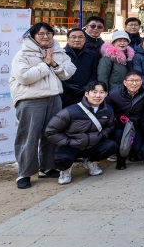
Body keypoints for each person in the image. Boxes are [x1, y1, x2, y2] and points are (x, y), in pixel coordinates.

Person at [10, 22, 76, 189]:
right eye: (41, 33)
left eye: (49, 33)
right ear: (33, 36)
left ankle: (47, 167)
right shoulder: (23, 54)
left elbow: (69, 72)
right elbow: (24, 77)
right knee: (29, 136)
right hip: (31, 99)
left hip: (54, 98)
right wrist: (45, 65)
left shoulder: (58, 52)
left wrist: (54, 64)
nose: (45, 36)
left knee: (51, 134)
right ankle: (24, 173)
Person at [44, 80, 116, 184]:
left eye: (101, 92)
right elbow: (51, 131)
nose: (98, 95)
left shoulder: (108, 110)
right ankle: (65, 170)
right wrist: (68, 142)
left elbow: (109, 126)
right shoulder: (70, 111)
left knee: (111, 145)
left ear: (106, 94)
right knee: (62, 158)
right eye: (94, 92)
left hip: (92, 144)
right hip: (72, 145)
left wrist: (102, 135)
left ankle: (91, 162)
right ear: (86, 93)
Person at [106, 69, 144, 169]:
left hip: (136, 125)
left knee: (136, 148)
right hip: (120, 125)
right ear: (125, 82)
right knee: (118, 138)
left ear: (141, 81)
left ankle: (132, 154)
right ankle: (120, 160)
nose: (134, 83)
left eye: (137, 80)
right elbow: (109, 112)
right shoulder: (114, 94)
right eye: (131, 80)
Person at [61, 28, 99, 108]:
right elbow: (55, 73)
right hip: (64, 94)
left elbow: (95, 73)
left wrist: (87, 87)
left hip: (85, 94)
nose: (77, 40)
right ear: (68, 39)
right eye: (73, 37)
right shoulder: (60, 54)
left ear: (85, 40)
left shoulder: (92, 55)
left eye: (80, 37)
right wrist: (66, 86)